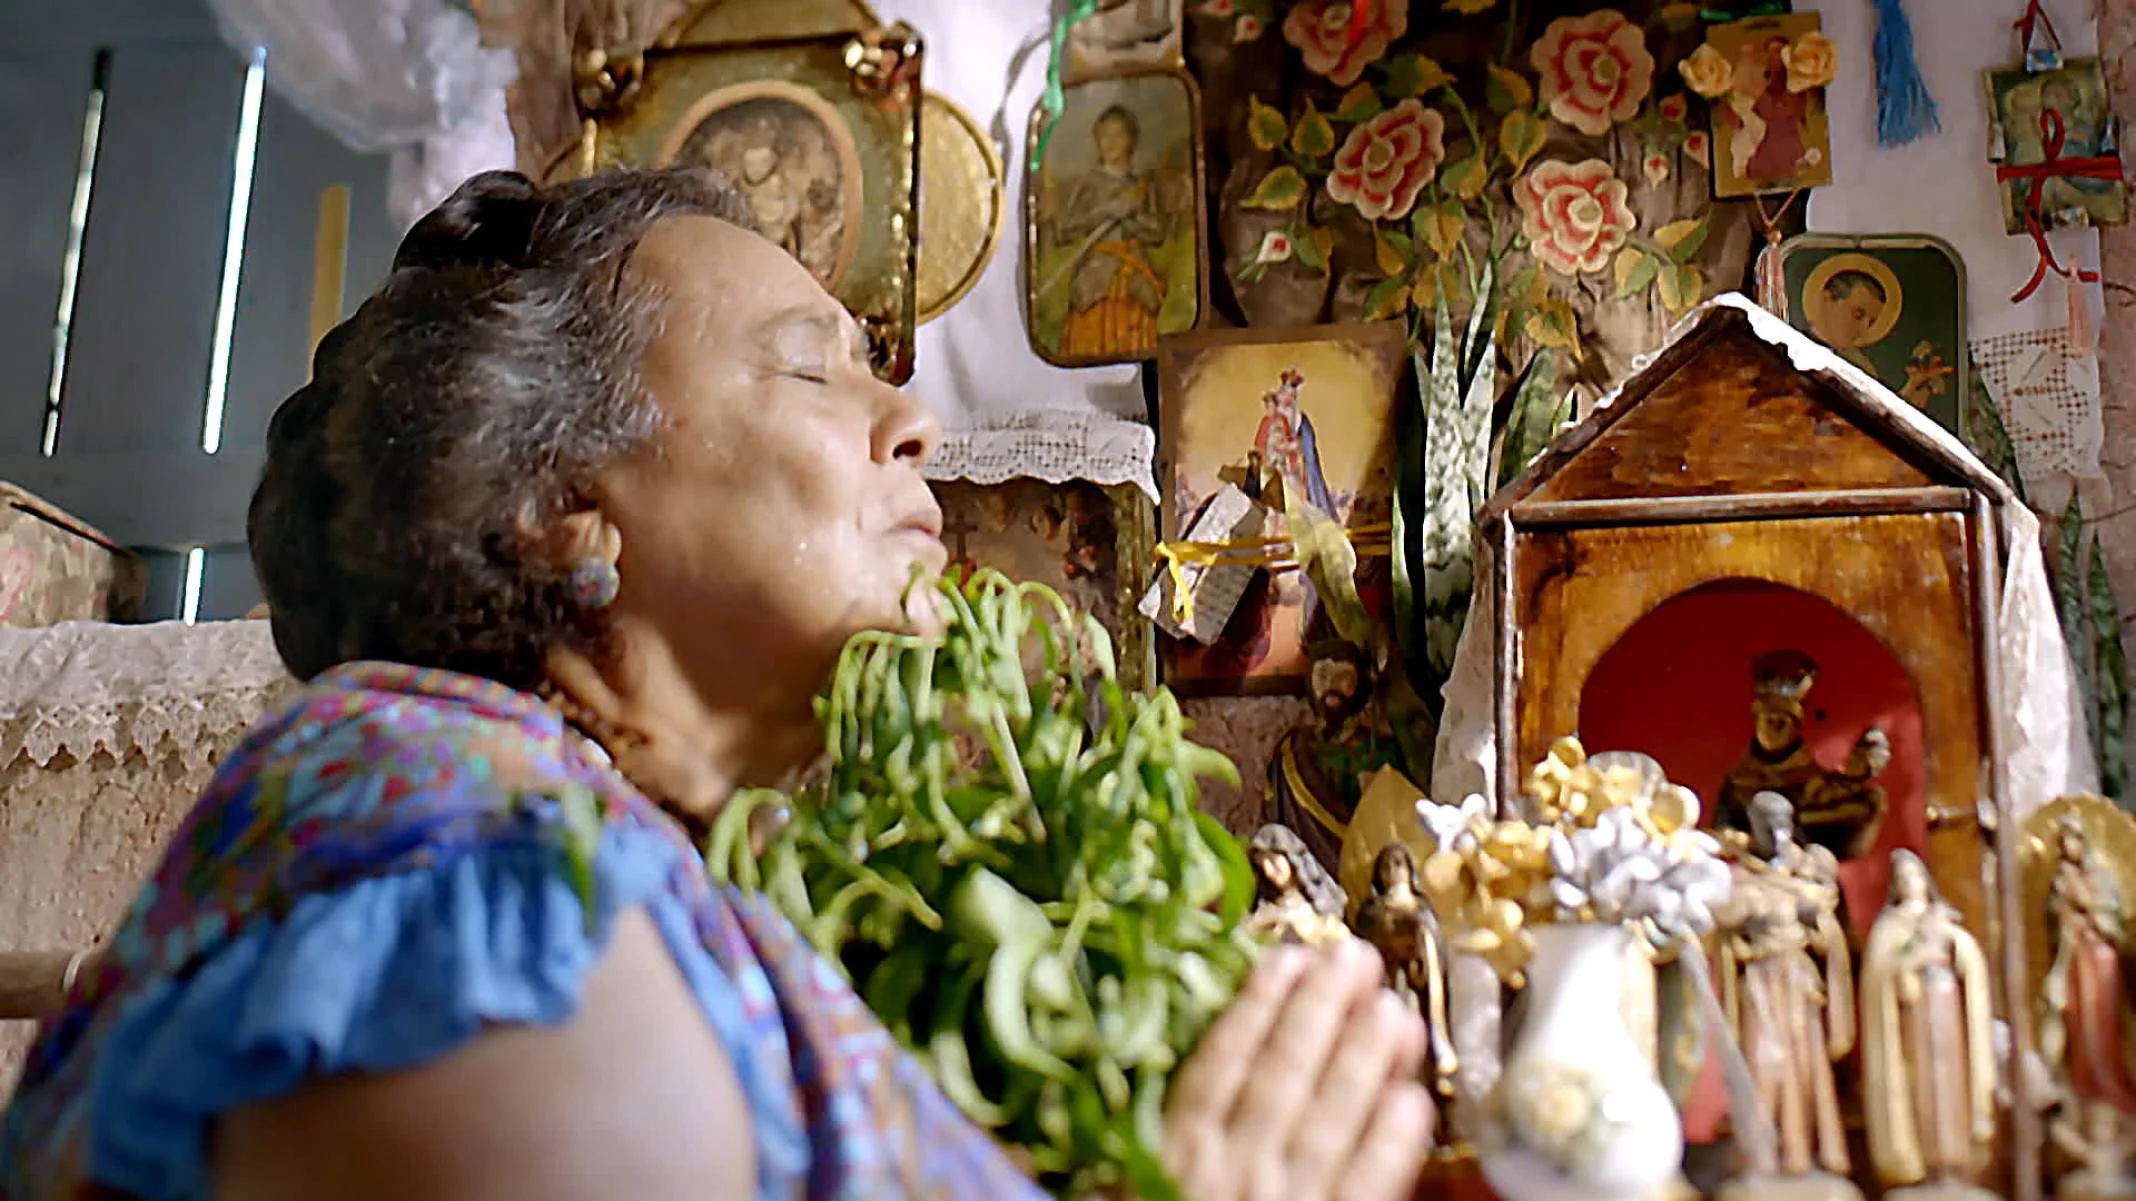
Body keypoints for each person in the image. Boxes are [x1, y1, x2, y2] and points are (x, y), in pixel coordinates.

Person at [0, 168, 1434, 1200]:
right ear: (558, 505)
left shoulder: (641, 870)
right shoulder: (461, 860)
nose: (920, 425)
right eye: (812, 371)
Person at [1045, 104, 1172, 360]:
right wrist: (1104, 212)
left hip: (1133, 277)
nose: (1110, 143)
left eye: (1118, 135)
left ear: (1131, 140)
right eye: (1104, 136)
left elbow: (1157, 234)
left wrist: (1130, 219)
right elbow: (1064, 231)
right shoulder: (1089, 184)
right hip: (1096, 279)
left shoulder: (1141, 186)